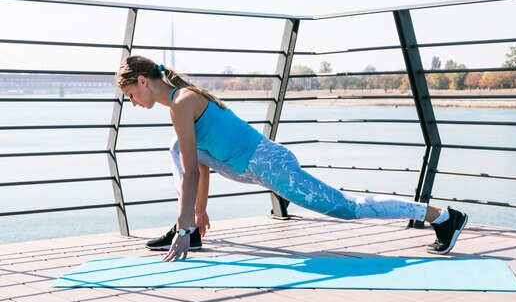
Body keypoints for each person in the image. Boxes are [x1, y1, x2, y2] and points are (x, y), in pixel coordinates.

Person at [116, 56, 468, 262]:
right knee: (177, 148)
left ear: (143, 81)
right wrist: (197, 213)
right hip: (248, 167)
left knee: (347, 208)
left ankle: (441, 216)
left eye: (130, 95)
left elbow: (192, 173)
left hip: (270, 165)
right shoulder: (180, 104)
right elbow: (197, 163)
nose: (133, 103)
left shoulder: (181, 103)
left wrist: (180, 226)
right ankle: (192, 233)